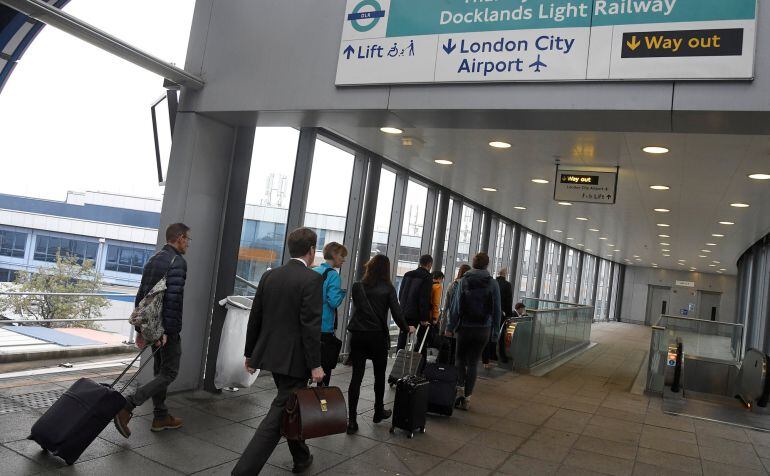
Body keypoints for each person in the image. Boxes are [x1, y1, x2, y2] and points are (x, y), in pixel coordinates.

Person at [232, 228, 325, 475]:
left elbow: (256, 316)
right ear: (311, 250)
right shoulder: (312, 279)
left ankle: (302, 457)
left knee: (289, 405)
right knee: (277, 416)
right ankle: (243, 471)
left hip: (272, 356)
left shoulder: (270, 276)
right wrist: (316, 364)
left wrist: (250, 353)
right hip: (295, 361)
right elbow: (310, 326)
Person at [114, 223, 190, 438]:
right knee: (170, 372)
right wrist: (169, 330)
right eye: (187, 239)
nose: (188, 244)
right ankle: (128, 405)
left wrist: (141, 329)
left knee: (160, 372)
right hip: (166, 329)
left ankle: (160, 416)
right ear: (180, 238)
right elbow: (173, 299)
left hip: (152, 326)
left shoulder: (154, 259)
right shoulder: (178, 262)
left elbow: (142, 296)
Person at [346, 255, 414, 434]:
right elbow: (397, 313)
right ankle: (378, 411)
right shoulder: (388, 288)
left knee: (356, 378)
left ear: (370, 266)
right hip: (377, 337)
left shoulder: (358, 286)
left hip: (359, 335)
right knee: (379, 375)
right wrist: (407, 328)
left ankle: (351, 421)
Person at [446, 252, 501, 411]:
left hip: (464, 327)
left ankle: (460, 390)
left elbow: (455, 308)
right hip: (483, 328)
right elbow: (497, 310)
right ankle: (468, 398)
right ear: (487, 265)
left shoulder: (463, 281)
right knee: (473, 363)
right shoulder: (493, 284)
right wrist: (495, 333)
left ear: (473, 263)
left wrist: (450, 327)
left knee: (459, 360)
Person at [312, 242, 348, 387]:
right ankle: (321, 401)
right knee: (325, 368)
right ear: (334, 255)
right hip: (324, 326)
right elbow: (333, 302)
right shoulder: (333, 275)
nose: (344, 259)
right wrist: (343, 293)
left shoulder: (315, 270)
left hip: (310, 324)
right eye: (342, 256)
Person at [397, 254, 433, 353]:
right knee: (420, 338)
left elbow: (401, 293)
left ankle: (398, 358)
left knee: (403, 336)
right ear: (429, 264)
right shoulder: (427, 277)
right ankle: (418, 363)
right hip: (416, 313)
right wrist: (424, 318)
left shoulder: (407, 274)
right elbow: (424, 298)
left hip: (404, 310)